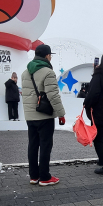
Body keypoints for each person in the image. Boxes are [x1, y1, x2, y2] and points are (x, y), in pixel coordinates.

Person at [22, 44, 65, 186]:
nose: (50, 57)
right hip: (44, 116)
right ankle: (45, 177)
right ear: (47, 56)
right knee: (45, 146)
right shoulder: (48, 72)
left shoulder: (25, 73)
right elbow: (53, 96)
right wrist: (61, 114)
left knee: (33, 145)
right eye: (50, 55)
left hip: (30, 116)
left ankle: (34, 176)